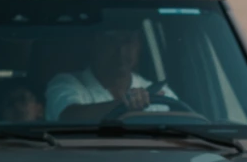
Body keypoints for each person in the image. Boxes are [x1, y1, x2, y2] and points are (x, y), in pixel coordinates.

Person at [44, 26, 181, 122]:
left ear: (138, 45)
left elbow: (186, 127)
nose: (120, 51)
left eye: (127, 41)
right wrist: (125, 104)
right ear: (95, 44)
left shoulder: (159, 93)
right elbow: (68, 117)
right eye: (111, 41)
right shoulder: (66, 84)